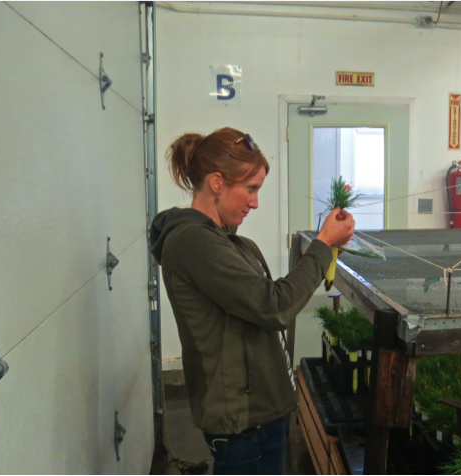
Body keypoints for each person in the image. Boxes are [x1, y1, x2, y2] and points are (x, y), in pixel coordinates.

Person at [149, 127, 354, 475]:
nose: (255, 202)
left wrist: (326, 245)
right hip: (245, 423)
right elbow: (273, 306)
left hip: (256, 414)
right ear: (217, 182)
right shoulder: (194, 242)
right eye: (251, 188)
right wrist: (322, 247)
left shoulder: (223, 242)